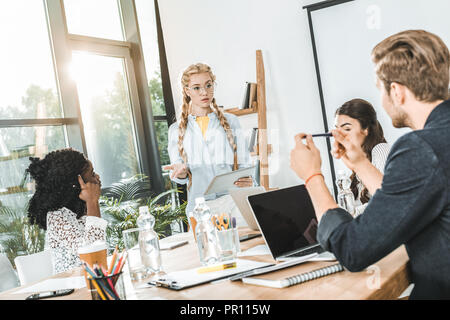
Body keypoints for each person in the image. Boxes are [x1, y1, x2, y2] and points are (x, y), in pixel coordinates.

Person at [290, 30, 450, 299]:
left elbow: (353, 249)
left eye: (381, 90)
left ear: (396, 91)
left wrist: (312, 176)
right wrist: (361, 164)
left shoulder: (420, 148)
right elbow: (406, 203)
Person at [164, 63, 253, 215]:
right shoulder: (176, 130)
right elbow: (178, 170)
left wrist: (248, 180)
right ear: (187, 91)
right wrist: (181, 172)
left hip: (233, 203)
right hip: (199, 208)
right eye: (197, 88)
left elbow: (245, 163)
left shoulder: (231, 121)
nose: (204, 92)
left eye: (208, 85)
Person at [26, 148, 106, 273]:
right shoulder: (56, 216)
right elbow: (92, 252)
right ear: (76, 183)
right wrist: (92, 201)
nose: (97, 177)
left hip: (92, 280)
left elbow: (99, 254)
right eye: (92, 173)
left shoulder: (82, 208)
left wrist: (91, 202)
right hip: (70, 287)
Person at [334, 98, 390, 216]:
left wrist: (350, 214)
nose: (340, 136)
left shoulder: (381, 149)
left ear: (366, 129)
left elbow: (386, 202)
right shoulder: (357, 162)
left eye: (347, 129)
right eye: (336, 130)